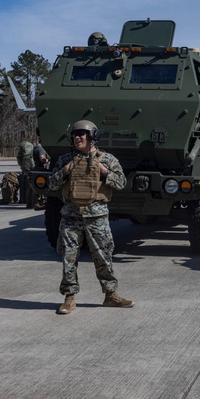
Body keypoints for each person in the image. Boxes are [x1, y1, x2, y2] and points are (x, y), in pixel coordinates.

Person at [46, 119, 132, 313]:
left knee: (103, 256)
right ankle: (69, 297)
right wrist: (64, 171)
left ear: (93, 137)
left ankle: (110, 295)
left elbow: (121, 183)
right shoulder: (65, 160)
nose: (77, 138)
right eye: (75, 135)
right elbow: (51, 185)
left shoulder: (107, 159)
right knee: (69, 257)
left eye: (82, 134)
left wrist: (104, 172)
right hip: (71, 217)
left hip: (97, 217)